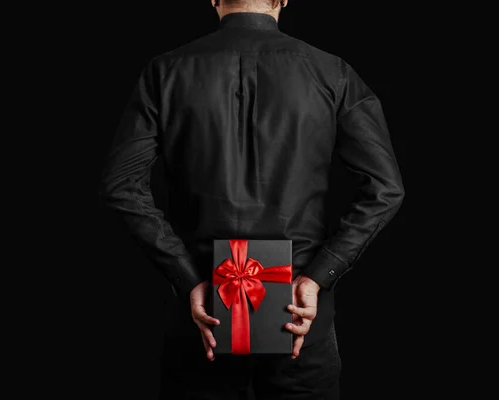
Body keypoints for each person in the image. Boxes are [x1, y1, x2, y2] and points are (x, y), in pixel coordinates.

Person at [99, 1, 405, 399]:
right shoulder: (333, 72)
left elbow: (120, 184)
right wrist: (317, 278)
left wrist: (188, 277)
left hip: (201, 320)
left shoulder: (165, 70)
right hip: (299, 318)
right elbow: (385, 188)